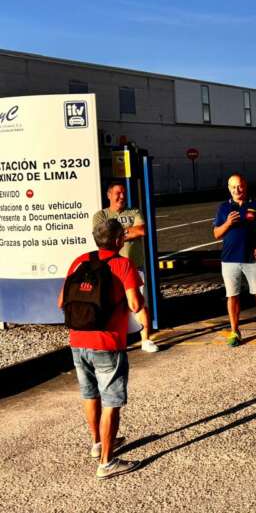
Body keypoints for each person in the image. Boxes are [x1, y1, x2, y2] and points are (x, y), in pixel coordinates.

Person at [59, 218, 144, 479]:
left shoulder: (79, 260)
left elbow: (61, 301)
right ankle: (107, 462)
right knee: (111, 401)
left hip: (77, 340)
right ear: (119, 240)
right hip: (107, 343)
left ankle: (97, 444)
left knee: (90, 394)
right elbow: (135, 306)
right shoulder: (123, 264)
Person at [92, 181, 158, 353]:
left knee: (139, 303)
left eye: (123, 193)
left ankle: (146, 340)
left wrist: (116, 233)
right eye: (117, 193)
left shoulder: (134, 211)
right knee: (113, 306)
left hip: (135, 266)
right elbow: (101, 237)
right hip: (111, 270)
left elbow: (142, 230)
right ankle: (118, 340)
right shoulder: (101, 215)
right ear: (109, 195)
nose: (121, 196)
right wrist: (129, 231)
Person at [212, 173, 256, 347]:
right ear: (228, 188)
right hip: (229, 259)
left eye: (239, 186)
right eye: (233, 187)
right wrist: (227, 223)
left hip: (252, 258)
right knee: (232, 296)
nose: (237, 190)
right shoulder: (224, 207)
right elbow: (216, 233)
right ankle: (235, 331)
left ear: (245, 185)